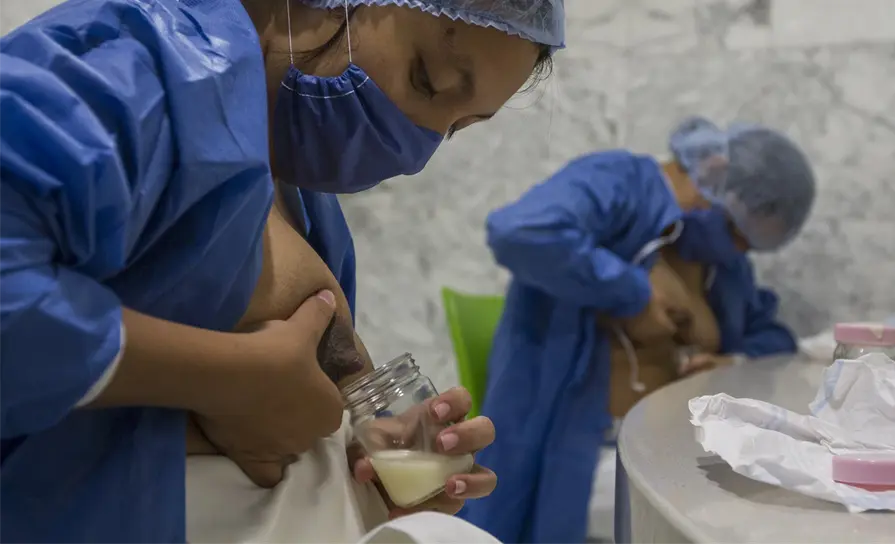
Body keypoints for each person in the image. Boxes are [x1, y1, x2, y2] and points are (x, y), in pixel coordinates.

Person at [0, 0, 564, 542]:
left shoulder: (291, 185)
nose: (418, 149)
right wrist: (228, 378)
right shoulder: (120, 70)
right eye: (429, 81)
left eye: (458, 126)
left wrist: (370, 456)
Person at [460, 116, 816, 543]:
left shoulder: (724, 266)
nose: (738, 251)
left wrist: (731, 361)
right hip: (582, 451)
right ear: (715, 179)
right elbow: (519, 230)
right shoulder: (619, 183)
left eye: (749, 244)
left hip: (676, 456)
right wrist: (632, 294)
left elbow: (773, 337)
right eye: (737, 232)